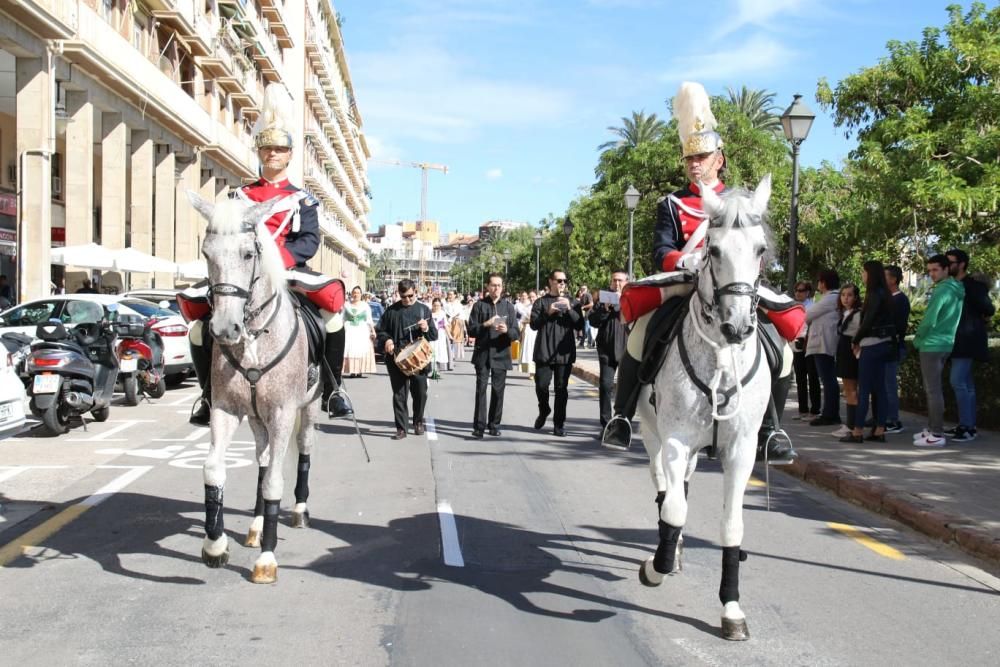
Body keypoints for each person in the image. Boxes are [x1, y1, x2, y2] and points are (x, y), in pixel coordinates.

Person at [602, 82, 802, 463]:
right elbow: (660, 250)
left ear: (719, 159)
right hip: (684, 285)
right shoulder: (672, 203)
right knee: (641, 336)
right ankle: (623, 415)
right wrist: (684, 260)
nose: (695, 163)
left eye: (702, 156)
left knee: (782, 347)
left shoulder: (740, 203)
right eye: (689, 158)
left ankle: (771, 429)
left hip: (733, 287)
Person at [178, 84, 346, 426]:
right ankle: (209, 396)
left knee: (333, 316)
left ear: (289, 155)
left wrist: (277, 261)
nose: (272, 154)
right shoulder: (239, 195)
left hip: (287, 270)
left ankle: (332, 389)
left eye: (279, 149)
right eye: (267, 148)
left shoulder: (302, 200)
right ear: (259, 152)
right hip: (242, 273)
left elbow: (309, 240)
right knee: (198, 327)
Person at [912, 254, 964, 447]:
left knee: (933, 390)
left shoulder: (942, 291)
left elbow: (929, 319)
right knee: (934, 389)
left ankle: (936, 433)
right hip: (946, 343)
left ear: (945, 269)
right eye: (929, 270)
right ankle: (932, 429)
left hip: (932, 344)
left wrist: (918, 339)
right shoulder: (957, 289)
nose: (931, 274)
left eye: (935, 270)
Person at [843, 262, 897, 443]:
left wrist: (856, 340)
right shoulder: (886, 294)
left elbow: (867, 321)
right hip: (884, 343)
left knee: (864, 388)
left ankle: (857, 431)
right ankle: (879, 430)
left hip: (872, 344)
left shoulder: (874, 294)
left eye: (864, 272)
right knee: (880, 389)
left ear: (870, 274)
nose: (862, 275)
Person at [945, 248, 995, 442]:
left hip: (967, 340)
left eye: (951, 262)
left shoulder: (972, 286)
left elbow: (988, 308)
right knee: (966, 384)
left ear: (962, 264)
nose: (948, 265)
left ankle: (967, 427)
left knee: (958, 381)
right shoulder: (949, 284)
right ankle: (967, 424)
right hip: (954, 341)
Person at [377, 279, 437, 439]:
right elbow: (380, 331)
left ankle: (418, 421)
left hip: (418, 360)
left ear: (415, 291)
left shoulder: (424, 310)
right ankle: (401, 428)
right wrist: (387, 340)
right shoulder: (391, 311)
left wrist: (426, 328)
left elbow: (434, 335)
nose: (407, 299)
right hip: (396, 358)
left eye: (410, 295)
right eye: (404, 297)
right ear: (399, 294)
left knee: (420, 393)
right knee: (399, 394)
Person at [531, 269, 583, 436]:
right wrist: (548, 312)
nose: (562, 284)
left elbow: (580, 324)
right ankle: (544, 409)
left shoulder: (573, 302)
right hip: (544, 351)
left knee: (561, 389)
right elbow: (534, 325)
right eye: (559, 280)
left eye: (564, 281)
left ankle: (559, 424)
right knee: (541, 386)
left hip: (564, 352)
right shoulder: (540, 302)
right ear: (551, 281)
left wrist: (568, 309)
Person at [467, 273, 520, 438]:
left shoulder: (509, 307)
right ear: (487, 287)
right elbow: (471, 330)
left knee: (498, 391)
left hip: (501, 353)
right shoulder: (479, 306)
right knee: (481, 390)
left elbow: (516, 333)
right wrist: (486, 324)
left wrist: (507, 331)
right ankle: (479, 426)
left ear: (502, 288)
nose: (496, 288)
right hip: (483, 353)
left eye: (499, 285)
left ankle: (494, 424)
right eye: (493, 285)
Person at [589, 270, 628, 430]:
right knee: (605, 386)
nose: (616, 283)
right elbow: (593, 321)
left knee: (625, 389)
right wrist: (605, 309)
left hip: (627, 350)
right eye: (614, 280)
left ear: (626, 282)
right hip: (606, 350)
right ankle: (606, 424)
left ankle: (622, 422)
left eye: (620, 280)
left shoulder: (632, 298)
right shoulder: (603, 299)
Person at [805, 270, 842, 427]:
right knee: (827, 379)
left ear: (824, 282)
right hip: (822, 342)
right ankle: (829, 412)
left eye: (819, 281)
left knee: (828, 380)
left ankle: (830, 414)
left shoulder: (831, 298)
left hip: (824, 343)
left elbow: (808, 314)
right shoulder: (830, 298)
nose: (818, 284)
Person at [882, 265, 910, 434]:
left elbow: (897, 325)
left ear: (893, 279)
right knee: (883, 385)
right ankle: (883, 416)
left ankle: (893, 420)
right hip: (883, 346)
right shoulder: (886, 298)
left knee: (889, 384)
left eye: (885, 276)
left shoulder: (900, 299)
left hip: (892, 346)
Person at [833, 284, 862, 439]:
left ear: (856, 297)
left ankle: (851, 425)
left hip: (850, 352)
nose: (845, 298)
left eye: (849, 295)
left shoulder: (857, 314)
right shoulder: (845, 313)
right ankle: (851, 424)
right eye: (843, 294)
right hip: (844, 351)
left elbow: (859, 333)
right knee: (848, 390)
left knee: (851, 390)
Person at [791, 281, 821, 421]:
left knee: (813, 378)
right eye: (796, 290)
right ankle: (802, 410)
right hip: (797, 345)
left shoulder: (812, 307)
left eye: (801, 290)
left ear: (808, 292)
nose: (798, 292)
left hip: (809, 344)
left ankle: (815, 411)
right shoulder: (794, 306)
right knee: (800, 379)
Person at [343, 286, 376, 378]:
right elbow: (342, 318)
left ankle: (360, 370)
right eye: (354, 292)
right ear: (352, 294)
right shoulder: (346, 305)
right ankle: (352, 371)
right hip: (350, 330)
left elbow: (369, 320)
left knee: (360, 349)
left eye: (358, 292)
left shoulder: (365, 306)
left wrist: (373, 331)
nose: (356, 294)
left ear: (361, 294)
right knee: (351, 350)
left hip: (362, 330)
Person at [429, 298, 451, 372]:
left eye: (438, 306)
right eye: (435, 305)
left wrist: (450, 335)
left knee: (440, 351)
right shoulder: (429, 313)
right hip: (431, 334)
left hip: (440, 334)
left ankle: (438, 368)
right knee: (432, 350)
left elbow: (445, 325)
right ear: (432, 305)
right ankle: (432, 368)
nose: (436, 307)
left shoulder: (442, 313)